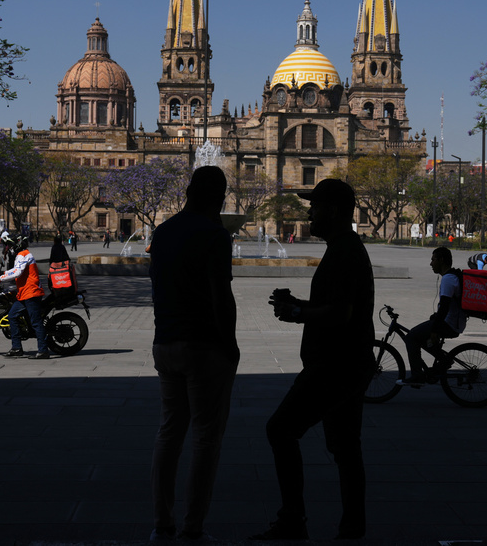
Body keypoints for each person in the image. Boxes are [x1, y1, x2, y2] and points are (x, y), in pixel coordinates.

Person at [252, 179, 374, 541]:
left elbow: (341, 313)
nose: (309, 212)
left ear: (333, 210)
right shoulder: (345, 247)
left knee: (280, 429)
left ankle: (293, 519)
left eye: (315, 206)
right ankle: (353, 526)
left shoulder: (345, 251)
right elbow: (336, 306)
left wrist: (297, 315)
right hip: (351, 362)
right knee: (346, 448)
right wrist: (300, 305)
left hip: (336, 364)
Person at [149, 166, 239, 542]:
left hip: (165, 342)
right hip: (203, 346)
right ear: (218, 198)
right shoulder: (215, 235)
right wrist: (230, 344)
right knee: (206, 437)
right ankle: (193, 526)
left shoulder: (163, 231)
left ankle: (163, 521)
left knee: (170, 433)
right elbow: (221, 296)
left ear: (188, 192)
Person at [400, 246, 465, 385]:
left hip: (449, 324)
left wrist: (435, 329)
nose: (431, 263)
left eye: (433, 259)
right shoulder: (451, 277)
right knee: (421, 336)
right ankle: (444, 360)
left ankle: (417, 376)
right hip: (452, 322)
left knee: (411, 337)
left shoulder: (448, 279)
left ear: (441, 260)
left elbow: (445, 307)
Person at [0, 234, 49, 359]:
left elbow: (17, 272)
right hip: (25, 294)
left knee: (35, 322)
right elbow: (16, 269)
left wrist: (0, 278)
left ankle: (43, 350)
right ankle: (16, 348)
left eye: (11, 245)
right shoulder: (23, 255)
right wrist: (3, 274)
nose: (9, 248)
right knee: (12, 316)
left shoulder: (23, 254)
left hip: (31, 293)